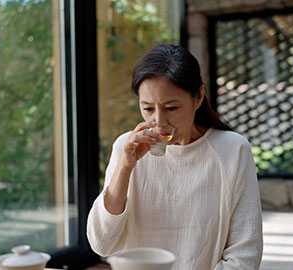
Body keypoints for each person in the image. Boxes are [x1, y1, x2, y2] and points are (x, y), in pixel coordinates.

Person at [87, 44, 263, 270]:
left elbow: (245, 255)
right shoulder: (126, 146)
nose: (159, 122)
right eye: (148, 109)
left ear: (198, 97)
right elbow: (101, 244)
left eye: (171, 108)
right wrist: (125, 166)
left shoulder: (232, 150)